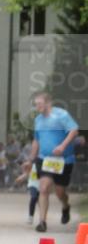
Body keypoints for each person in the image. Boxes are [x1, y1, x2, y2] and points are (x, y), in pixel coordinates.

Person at [30, 91, 79, 232]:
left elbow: (74, 130)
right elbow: (36, 140)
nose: (37, 107)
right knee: (43, 187)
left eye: (40, 103)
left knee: (59, 192)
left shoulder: (61, 115)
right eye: (36, 104)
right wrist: (31, 159)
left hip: (63, 160)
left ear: (48, 103)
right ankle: (42, 222)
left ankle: (65, 206)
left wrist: (62, 146)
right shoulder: (38, 120)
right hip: (44, 159)